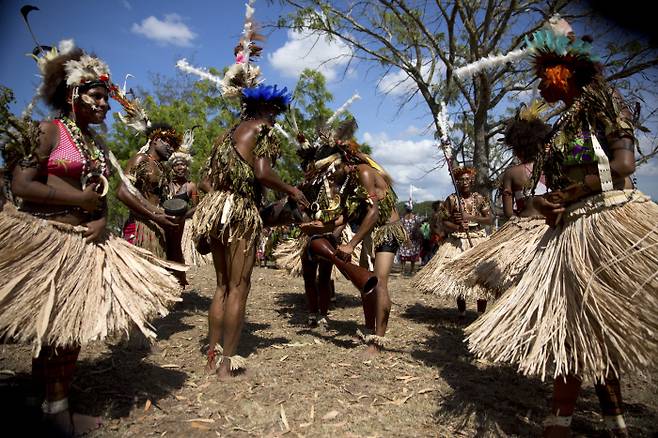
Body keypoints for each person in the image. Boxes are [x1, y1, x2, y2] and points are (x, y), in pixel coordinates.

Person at [465, 16, 658, 437]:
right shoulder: (560, 130)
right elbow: (542, 194)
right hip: (570, 231)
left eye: (545, 73)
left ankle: (573, 419)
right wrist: (543, 203)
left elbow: (623, 167)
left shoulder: (603, 100)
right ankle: (592, 418)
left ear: (565, 70)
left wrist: (569, 196)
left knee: (590, 323)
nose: (540, 86)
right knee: (576, 323)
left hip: (609, 223)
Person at [0, 42, 184, 436]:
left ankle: (46, 404)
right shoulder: (48, 131)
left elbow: (104, 192)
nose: (105, 104)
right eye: (97, 96)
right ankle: (55, 414)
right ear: (73, 94)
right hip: (47, 239)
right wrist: (78, 199)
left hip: (83, 241)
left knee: (65, 329)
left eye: (106, 97)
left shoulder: (96, 144)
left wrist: (100, 218)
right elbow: (21, 185)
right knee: (55, 331)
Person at [191, 48, 309, 376]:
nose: (275, 119)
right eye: (274, 111)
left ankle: (212, 354)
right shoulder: (260, 129)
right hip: (239, 213)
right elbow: (262, 173)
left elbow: (205, 179)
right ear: (263, 108)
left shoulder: (224, 135)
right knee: (239, 287)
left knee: (221, 286)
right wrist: (291, 190)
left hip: (214, 211)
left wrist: (220, 201)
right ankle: (227, 362)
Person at [300, 131, 405, 357]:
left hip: (386, 230)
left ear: (340, 163)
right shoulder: (348, 181)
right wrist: (321, 228)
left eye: (330, 172)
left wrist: (351, 244)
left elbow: (374, 212)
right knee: (369, 283)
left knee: (380, 284)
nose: (329, 178)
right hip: (370, 233)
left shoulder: (364, 172)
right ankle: (369, 329)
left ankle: (377, 341)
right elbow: (345, 216)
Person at [412, 166, 493, 316]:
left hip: (478, 238)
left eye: (468, 179)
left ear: (472, 180)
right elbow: (444, 221)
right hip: (458, 240)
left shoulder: (480, 198)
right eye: (461, 180)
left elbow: (489, 219)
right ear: (457, 182)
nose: (465, 182)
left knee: (482, 276)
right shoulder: (451, 199)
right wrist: (457, 226)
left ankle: (481, 313)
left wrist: (471, 218)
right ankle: (461, 312)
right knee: (458, 274)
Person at [118, 123, 188, 286]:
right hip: (140, 227)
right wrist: (153, 215)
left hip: (158, 228)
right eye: (168, 143)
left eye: (174, 146)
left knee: (156, 281)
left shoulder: (162, 168)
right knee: (138, 281)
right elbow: (122, 192)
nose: (171, 148)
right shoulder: (140, 159)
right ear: (155, 140)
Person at [168, 140, 213, 268]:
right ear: (172, 167)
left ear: (186, 166)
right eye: (177, 165)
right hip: (169, 221)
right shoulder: (167, 185)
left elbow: (197, 207)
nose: (180, 167)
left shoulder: (191, 186)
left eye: (182, 164)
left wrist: (184, 215)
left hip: (186, 223)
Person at [397, 202, 422, 276]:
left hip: (409, 238)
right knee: (408, 255)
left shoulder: (404, 218)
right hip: (409, 239)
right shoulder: (413, 218)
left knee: (407, 255)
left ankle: (404, 270)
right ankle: (410, 270)